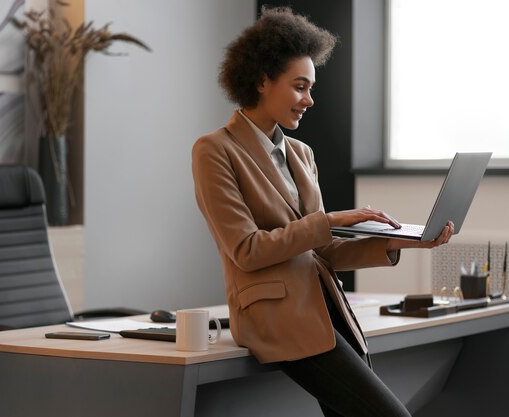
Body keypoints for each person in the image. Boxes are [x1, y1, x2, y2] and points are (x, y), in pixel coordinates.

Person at [191, 6, 453, 417]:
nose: (309, 100)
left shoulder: (301, 154)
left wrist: (399, 242)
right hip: (276, 318)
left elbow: (322, 252)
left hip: (326, 311)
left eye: (310, 88)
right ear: (261, 80)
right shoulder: (215, 150)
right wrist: (327, 221)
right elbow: (246, 249)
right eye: (299, 87)